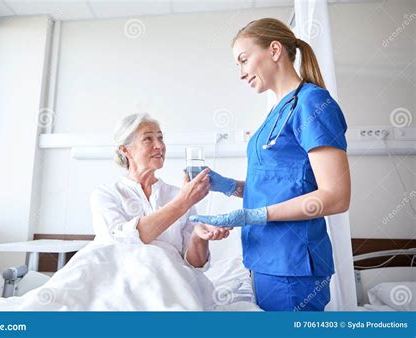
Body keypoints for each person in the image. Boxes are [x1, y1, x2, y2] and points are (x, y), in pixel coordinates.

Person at [190, 18, 351, 311]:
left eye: (243, 60)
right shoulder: (276, 112)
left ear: (274, 50)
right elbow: (280, 186)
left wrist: (255, 215)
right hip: (263, 257)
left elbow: (337, 196)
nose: (241, 73)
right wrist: (227, 185)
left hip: (292, 263)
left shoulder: (312, 104)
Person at [91, 113, 232, 269]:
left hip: (171, 278)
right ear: (126, 150)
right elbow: (119, 243)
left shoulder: (180, 194)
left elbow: (195, 265)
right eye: (148, 139)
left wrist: (200, 238)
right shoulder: (107, 195)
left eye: (160, 138)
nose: (159, 146)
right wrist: (182, 203)